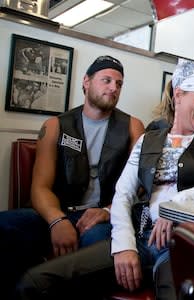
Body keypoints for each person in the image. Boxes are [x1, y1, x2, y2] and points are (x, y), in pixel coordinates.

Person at [16, 59, 194, 300]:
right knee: (34, 283)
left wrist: (175, 206)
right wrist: (124, 245)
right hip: (142, 238)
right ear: (179, 94)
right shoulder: (148, 140)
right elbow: (123, 194)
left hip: (184, 245)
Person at [0, 55, 145, 298]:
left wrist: (108, 211)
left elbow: (139, 185)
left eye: (119, 84)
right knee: (5, 225)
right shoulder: (56, 125)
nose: (113, 88)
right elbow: (40, 187)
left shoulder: (133, 126)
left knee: (97, 246)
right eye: (106, 80)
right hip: (57, 211)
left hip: (104, 216)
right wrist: (58, 221)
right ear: (86, 82)